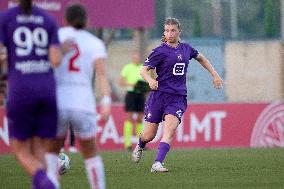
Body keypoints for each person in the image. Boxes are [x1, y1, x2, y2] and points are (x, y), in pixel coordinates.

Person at [132, 17, 223, 172]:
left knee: (170, 130)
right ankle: (140, 144)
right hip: (158, 96)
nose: (170, 33)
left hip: (177, 97)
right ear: (164, 32)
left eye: (173, 30)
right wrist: (149, 80)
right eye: (167, 30)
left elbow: (201, 58)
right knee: (149, 135)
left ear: (179, 32)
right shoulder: (159, 51)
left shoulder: (186, 49)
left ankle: (157, 163)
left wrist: (215, 75)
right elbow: (143, 70)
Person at [0, 0, 62, 188]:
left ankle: (48, 184)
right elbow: (55, 60)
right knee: (38, 147)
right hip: (47, 90)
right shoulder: (48, 19)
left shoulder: (6, 18)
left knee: (20, 150)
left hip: (21, 90)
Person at [53, 4, 111, 189]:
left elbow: (50, 65)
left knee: (51, 155)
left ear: (65, 20)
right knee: (91, 155)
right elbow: (102, 75)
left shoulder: (57, 37)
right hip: (83, 103)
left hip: (59, 102)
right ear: (86, 21)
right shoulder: (95, 42)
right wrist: (106, 102)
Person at [119, 52, 149, 151]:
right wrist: (132, 84)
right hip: (131, 94)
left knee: (140, 119)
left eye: (137, 57)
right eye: (134, 57)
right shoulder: (127, 67)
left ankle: (141, 144)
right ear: (132, 58)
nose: (136, 59)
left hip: (141, 95)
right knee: (129, 118)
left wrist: (146, 88)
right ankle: (127, 144)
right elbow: (121, 82)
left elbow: (147, 81)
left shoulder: (143, 67)